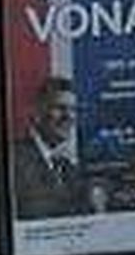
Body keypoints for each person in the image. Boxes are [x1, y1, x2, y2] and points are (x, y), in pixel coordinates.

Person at [10, 76, 86, 220]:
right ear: (37, 112)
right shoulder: (14, 159)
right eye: (60, 108)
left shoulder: (68, 168)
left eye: (73, 110)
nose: (69, 116)